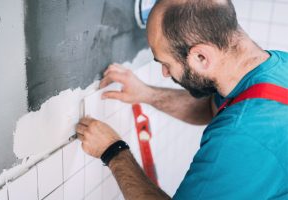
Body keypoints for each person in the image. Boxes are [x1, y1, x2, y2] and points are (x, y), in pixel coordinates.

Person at [76, 0, 288, 199]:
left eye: (166, 63)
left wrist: (113, 151)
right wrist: (146, 94)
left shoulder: (239, 136)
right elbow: (211, 107)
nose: (165, 72)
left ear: (200, 57)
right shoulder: (275, 67)